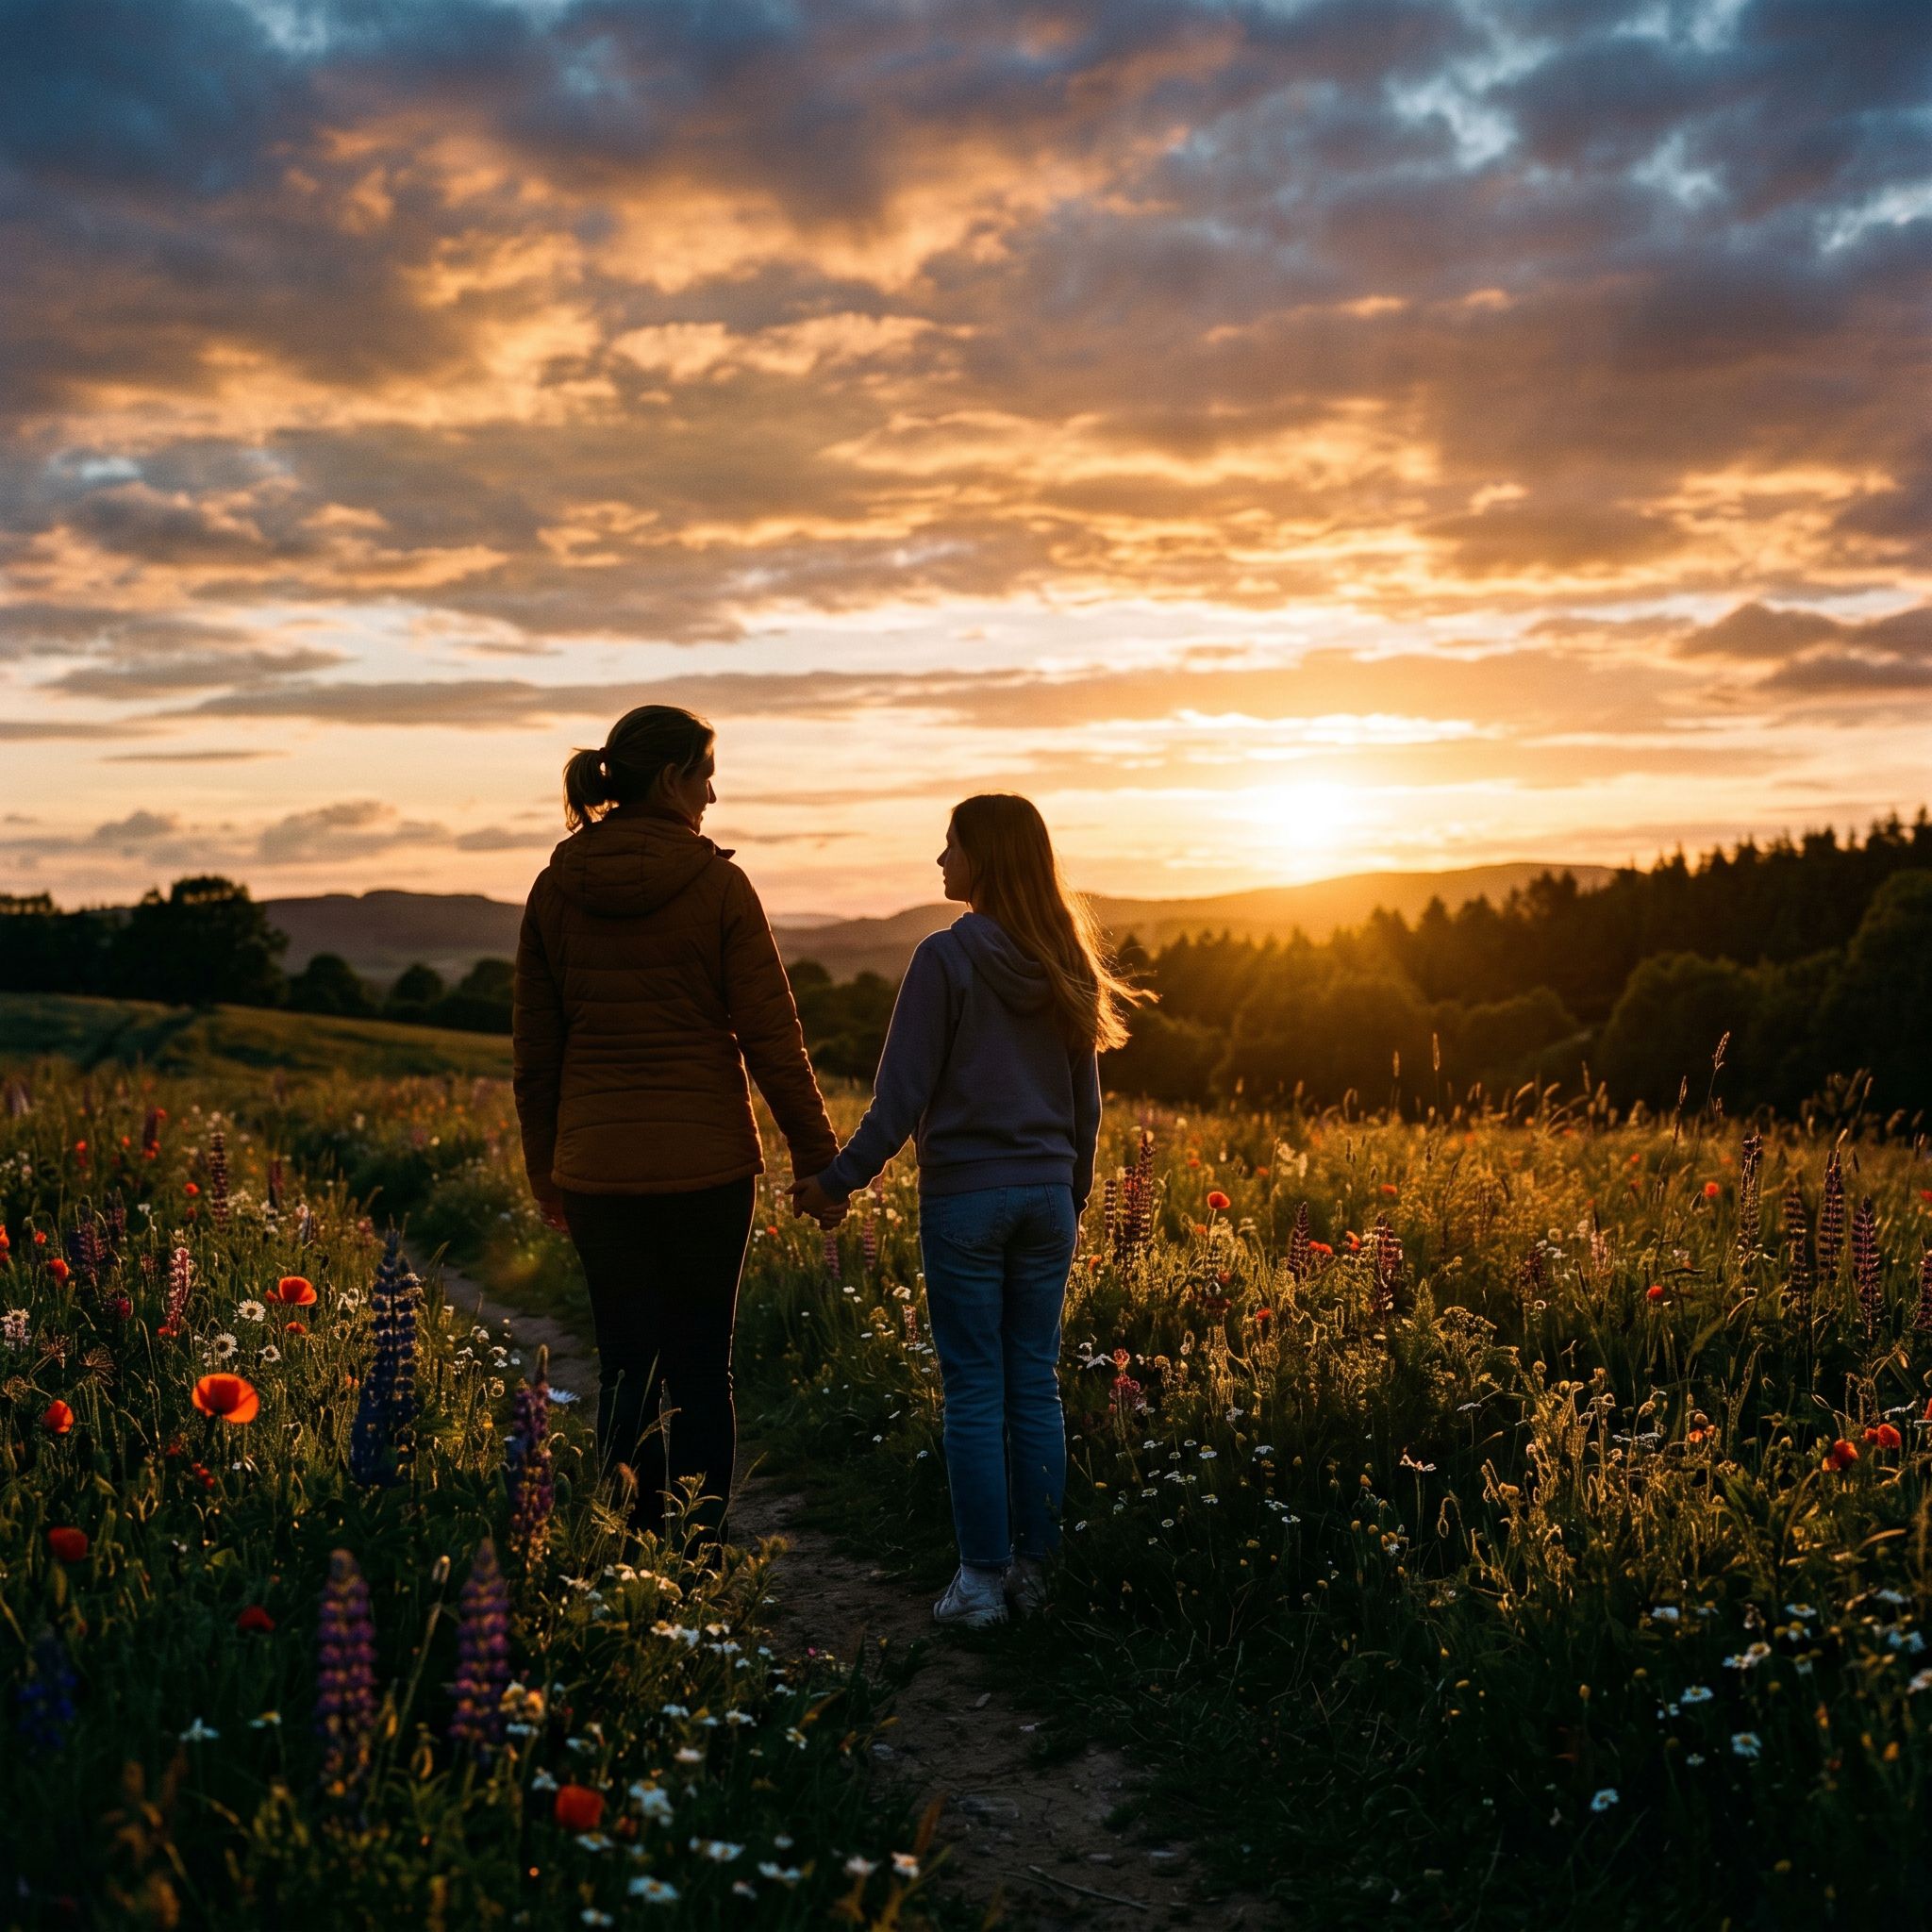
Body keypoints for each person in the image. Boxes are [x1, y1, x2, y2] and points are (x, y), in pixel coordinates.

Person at [795, 794, 1148, 1624]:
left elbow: (900, 1099)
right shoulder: (1064, 959)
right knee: (1035, 1385)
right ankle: (1041, 1571)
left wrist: (837, 1183)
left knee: (976, 1390)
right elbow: (1085, 1107)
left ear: (983, 857)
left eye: (951, 845)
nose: (940, 860)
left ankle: (983, 1584)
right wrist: (1070, 1194)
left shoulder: (943, 959)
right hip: (1046, 1197)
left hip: (966, 1200)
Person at [512, 703, 841, 1549]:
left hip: (596, 1172)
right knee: (702, 1367)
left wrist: (544, 1172)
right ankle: (694, 1556)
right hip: (707, 1169)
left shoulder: (554, 890)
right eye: (706, 775)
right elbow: (773, 1036)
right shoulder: (719, 885)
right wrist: (819, 1159)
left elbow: (536, 1055)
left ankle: (625, 1546)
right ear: (671, 781)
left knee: (627, 1364)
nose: (714, 795)